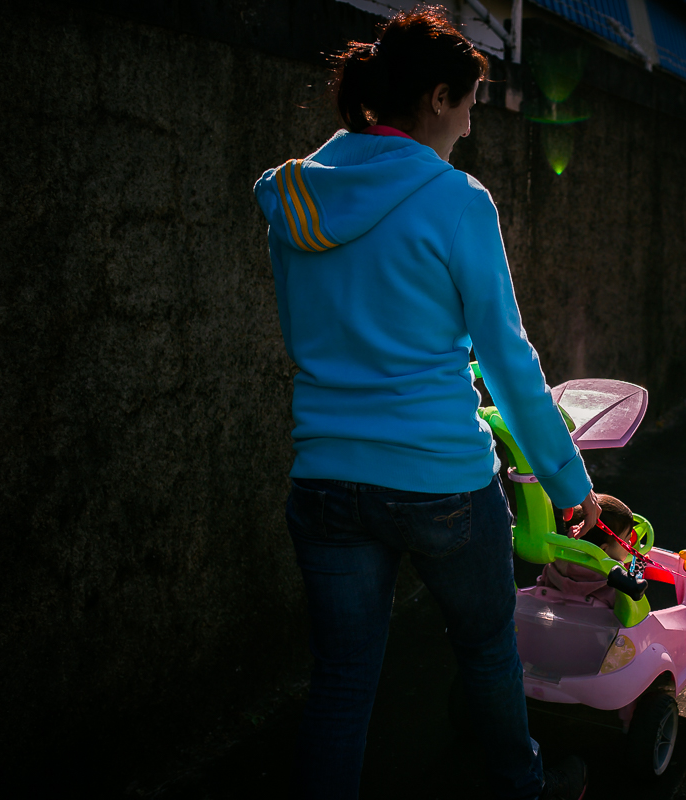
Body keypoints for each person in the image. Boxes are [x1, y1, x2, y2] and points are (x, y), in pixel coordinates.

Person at [252, 8, 597, 800]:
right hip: (442, 482)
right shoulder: (457, 200)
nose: (471, 125)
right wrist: (570, 484)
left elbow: (314, 336)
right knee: (486, 648)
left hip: (325, 478)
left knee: (341, 678)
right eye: (470, 104)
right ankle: (521, 787)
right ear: (439, 98)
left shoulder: (294, 202)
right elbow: (507, 359)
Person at [538, 494, 636, 608]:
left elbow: (541, 585)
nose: (630, 544)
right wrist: (637, 569)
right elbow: (631, 605)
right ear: (604, 550)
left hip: (555, 613)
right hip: (599, 617)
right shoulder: (615, 575)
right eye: (626, 541)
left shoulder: (557, 560)